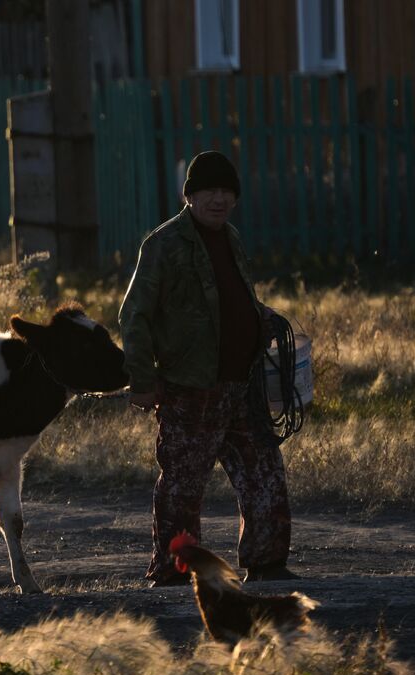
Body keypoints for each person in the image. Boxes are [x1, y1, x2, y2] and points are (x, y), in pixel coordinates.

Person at [118, 150, 296, 586]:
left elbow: (227, 298)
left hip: (241, 385)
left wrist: (260, 318)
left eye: (226, 192)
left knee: (264, 474)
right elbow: (133, 315)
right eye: (208, 191)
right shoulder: (163, 244)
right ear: (190, 196)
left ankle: (267, 561)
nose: (218, 199)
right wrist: (141, 380)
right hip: (190, 388)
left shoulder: (230, 237)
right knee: (182, 485)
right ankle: (175, 571)